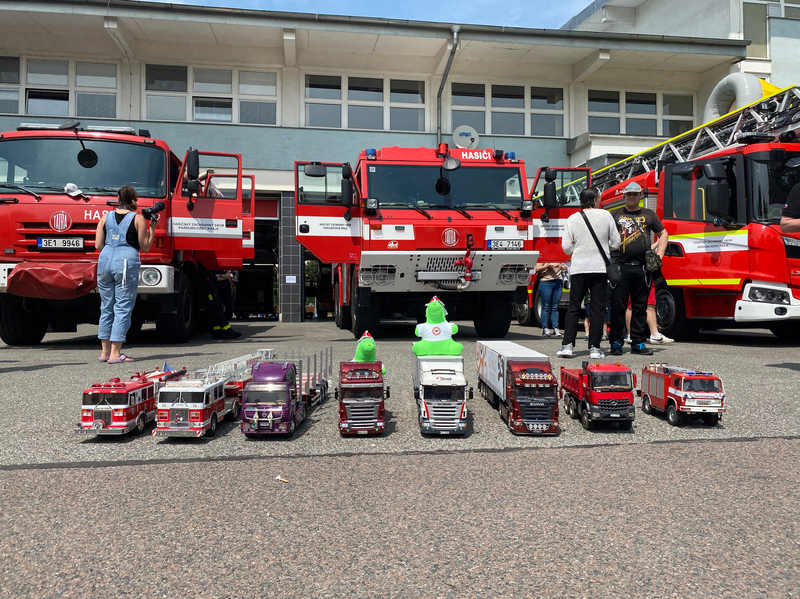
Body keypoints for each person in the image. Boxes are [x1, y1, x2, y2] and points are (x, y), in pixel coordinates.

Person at [95, 186, 156, 363]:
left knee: (106, 306)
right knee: (122, 306)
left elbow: (98, 245)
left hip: (105, 261)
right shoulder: (137, 219)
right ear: (133, 200)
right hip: (124, 263)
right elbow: (144, 246)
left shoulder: (105, 217)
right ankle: (115, 354)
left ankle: (105, 352)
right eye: (136, 199)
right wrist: (152, 229)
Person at [558, 188, 620, 359]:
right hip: (599, 268)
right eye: (598, 198)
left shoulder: (572, 218)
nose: (599, 200)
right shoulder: (605, 215)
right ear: (593, 199)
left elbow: (566, 247)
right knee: (597, 309)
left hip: (579, 268)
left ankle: (567, 346)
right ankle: (594, 347)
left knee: (573, 307)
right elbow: (615, 243)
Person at [609, 181, 668, 356]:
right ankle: (616, 342)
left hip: (643, 268)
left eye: (635, 194)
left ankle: (638, 342)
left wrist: (660, 255)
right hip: (620, 267)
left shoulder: (649, 214)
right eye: (629, 194)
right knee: (618, 307)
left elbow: (663, 233)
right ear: (624, 196)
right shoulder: (615, 215)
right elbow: (604, 236)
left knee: (640, 307)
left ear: (640, 196)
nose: (632, 196)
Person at [535, 262, 564, 337]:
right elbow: (537, 269)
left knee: (555, 307)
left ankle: (556, 328)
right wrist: (548, 265)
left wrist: (563, 266)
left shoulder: (559, 257)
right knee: (545, 306)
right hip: (545, 282)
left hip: (558, 282)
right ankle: (545, 328)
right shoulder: (544, 257)